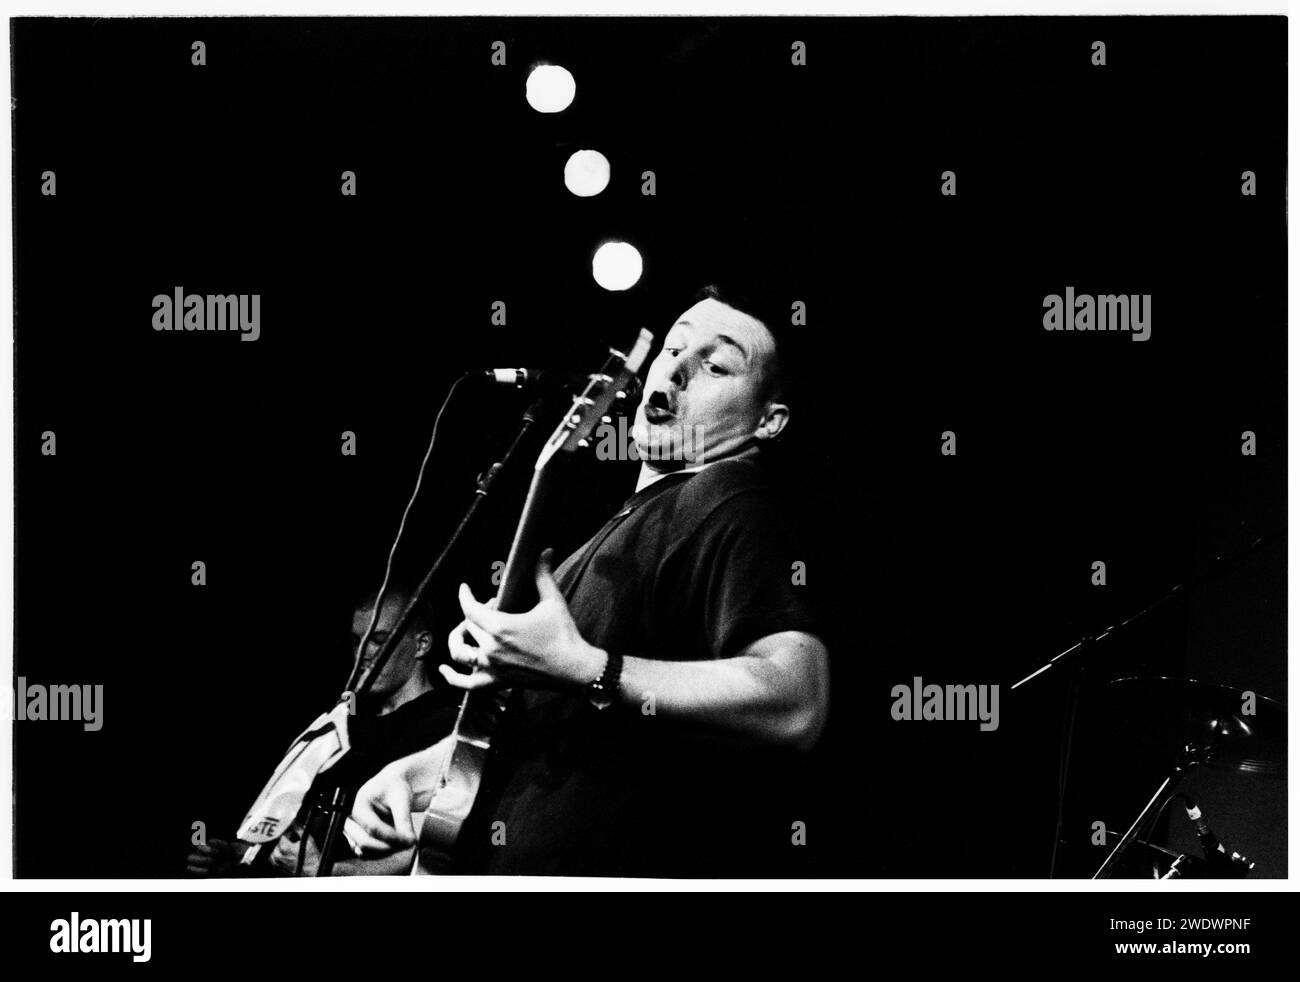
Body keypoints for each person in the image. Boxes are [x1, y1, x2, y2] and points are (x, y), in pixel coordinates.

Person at [350, 284, 832, 876]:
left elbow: (796, 702)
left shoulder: (731, 497)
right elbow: (538, 729)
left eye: (714, 364)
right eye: (672, 349)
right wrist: (418, 770)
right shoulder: (604, 541)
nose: (677, 371)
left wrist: (589, 668)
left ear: (769, 420)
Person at [185, 586, 459, 876]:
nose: (364, 653)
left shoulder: (446, 728)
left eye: (379, 640)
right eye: (357, 641)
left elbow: (425, 857)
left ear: (422, 645)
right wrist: (244, 855)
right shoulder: (344, 721)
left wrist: (322, 870)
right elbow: (305, 832)